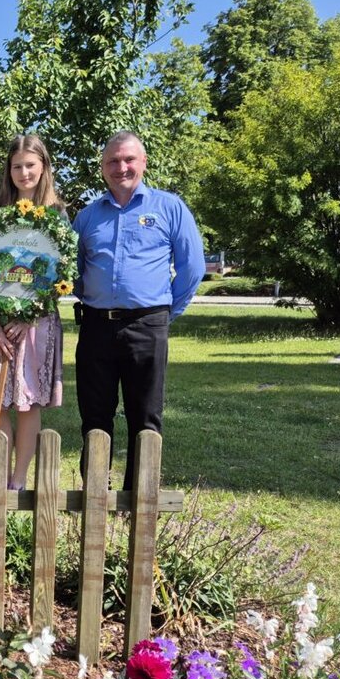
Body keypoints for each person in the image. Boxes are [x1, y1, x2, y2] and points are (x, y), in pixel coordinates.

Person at [73, 131, 204, 488]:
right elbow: (74, 271)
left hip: (148, 326)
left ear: (143, 162)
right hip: (96, 327)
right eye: (113, 161)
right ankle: (95, 492)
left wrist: (165, 313)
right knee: (94, 415)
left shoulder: (169, 207)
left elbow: (192, 268)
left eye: (129, 159)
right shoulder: (87, 217)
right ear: (103, 167)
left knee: (145, 416)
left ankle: (139, 497)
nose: (121, 167)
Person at [0, 135, 65, 490]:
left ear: (44, 167)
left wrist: (28, 316)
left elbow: (59, 273)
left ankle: (18, 482)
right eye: (17, 166)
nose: (24, 173)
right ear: (8, 170)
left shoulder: (57, 216)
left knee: (26, 402)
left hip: (35, 323)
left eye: (30, 165)